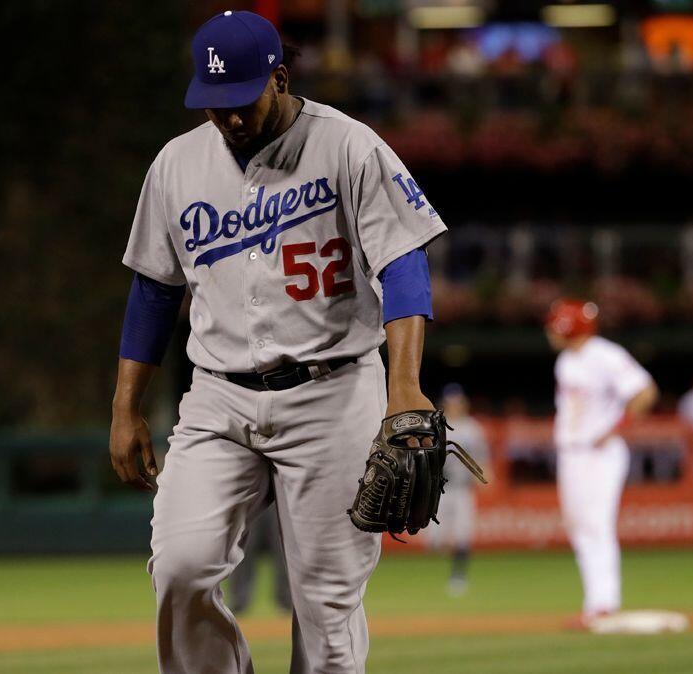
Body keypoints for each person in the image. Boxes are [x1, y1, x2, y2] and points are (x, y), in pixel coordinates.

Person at [108, 11, 447, 673]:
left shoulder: (348, 146)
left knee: (326, 603)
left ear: (280, 78)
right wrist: (126, 407)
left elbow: (404, 263)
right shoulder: (177, 164)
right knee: (180, 567)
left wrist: (403, 385)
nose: (228, 118)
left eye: (240, 101)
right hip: (218, 401)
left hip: (333, 391)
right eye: (213, 105)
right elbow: (153, 290)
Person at [545, 299, 658, 629]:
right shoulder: (566, 360)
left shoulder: (605, 354)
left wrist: (615, 429)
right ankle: (595, 602)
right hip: (572, 452)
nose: (550, 330)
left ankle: (604, 603)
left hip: (599, 453)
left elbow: (645, 392)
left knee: (596, 525)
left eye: (556, 324)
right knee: (580, 527)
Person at [426, 383, 489, 596]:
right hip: (440, 489)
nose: (454, 405)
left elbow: (482, 458)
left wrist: (483, 475)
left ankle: (458, 576)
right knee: (434, 539)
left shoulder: (473, 428)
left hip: (463, 488)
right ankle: (435, 570)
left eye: (458, 401)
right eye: (451, 401)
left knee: (463, 534)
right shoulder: (436, 426)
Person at [227, 505, 293, 614]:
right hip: (251, 498)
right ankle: (239, 602)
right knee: (244, 546)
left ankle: (287, 601)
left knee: (284, 547)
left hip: (279, 499)